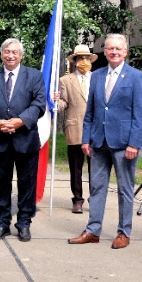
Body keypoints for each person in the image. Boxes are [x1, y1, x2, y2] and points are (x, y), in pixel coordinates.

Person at [68, 33, 142, 249]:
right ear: (104, 52)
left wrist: (134, 143)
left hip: (124, 144)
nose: (114, 52)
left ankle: (124, 232)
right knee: (96, 188)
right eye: (110, 48)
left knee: (124, 189)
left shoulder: (136, 77)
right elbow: (91, 111)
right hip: (98, 142)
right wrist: (86, 138)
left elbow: (141, 115)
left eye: (118, 49)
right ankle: (93, 230)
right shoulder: (97, 76)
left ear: (125, 52)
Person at [0, 38, 47, 242]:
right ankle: (2, 222)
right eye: (7, 51)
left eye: (14, 52)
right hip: (0, 138)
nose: (10, 55)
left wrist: (20, 121)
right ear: (2, 54)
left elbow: (39, 103)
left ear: (21, 55)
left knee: (27, 183)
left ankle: (24, 222)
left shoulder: (34, 76)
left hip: (26, 138)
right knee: (2, 183)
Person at [53, 44, 97, 214]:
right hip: (75, 128)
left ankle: (95, 198)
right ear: (75, 61)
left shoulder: (98, 78)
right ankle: (77, 200)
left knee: (96, 168)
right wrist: (56, 101)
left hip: (95, 130)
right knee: (76, 168)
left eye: (87, 58)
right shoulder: (65, 80)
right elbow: (64, 104)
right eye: (80, 58)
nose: (84, 61)